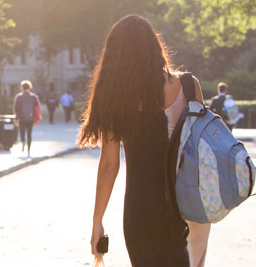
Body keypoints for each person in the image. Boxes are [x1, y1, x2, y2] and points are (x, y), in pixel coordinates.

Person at [81, 15, 204, 266]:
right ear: (154, 46)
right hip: (189, 207)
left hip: (141, 210)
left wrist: (97, 221)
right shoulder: (189, 86)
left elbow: (109, 165)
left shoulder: (115, 98)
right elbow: (202, 147)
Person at [13, 80, 41, 156]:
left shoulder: (19, 97)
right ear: (30, 87)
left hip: (22, 117)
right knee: (29, 133)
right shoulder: (33, 96)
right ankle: (29, 149)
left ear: (22, 87)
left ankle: (23, 141)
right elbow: (37, 108)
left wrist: (16, 118)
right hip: (31, 118)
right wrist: (37, 118)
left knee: (22, 132)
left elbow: (16, 108)